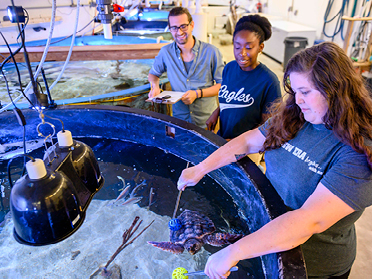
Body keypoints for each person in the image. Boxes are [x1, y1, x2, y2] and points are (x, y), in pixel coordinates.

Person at [177, 42, 372, 279]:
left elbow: (308, 221)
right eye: (294, 91)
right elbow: (249, 142)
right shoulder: (296, 116)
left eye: (306, 92)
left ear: (335, 89)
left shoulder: (359, 151)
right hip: (268, 237)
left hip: (314, 266)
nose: (298, 100)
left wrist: (234, 251)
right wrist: (200, 168)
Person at [206, 15, 281, 140]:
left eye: (249, 47)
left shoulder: (269, 81)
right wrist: (217, 112)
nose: (242, 53)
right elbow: (232, 99)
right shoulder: (229, 68)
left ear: (260, 47)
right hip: (223, 140)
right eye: (237, 46)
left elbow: (269, 127)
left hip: (248, 149)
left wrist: (238, 143)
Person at [148, 7, 224, 128]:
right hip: (180, 118)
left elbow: (223, 86)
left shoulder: (212, 52)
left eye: (183, 26)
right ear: (170, 29)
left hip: (207, 119)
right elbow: (153, 74)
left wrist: (198, 93)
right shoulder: (165, 52)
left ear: (192, 25)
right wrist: (155, 87)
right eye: (174, 28)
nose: (179, 32)